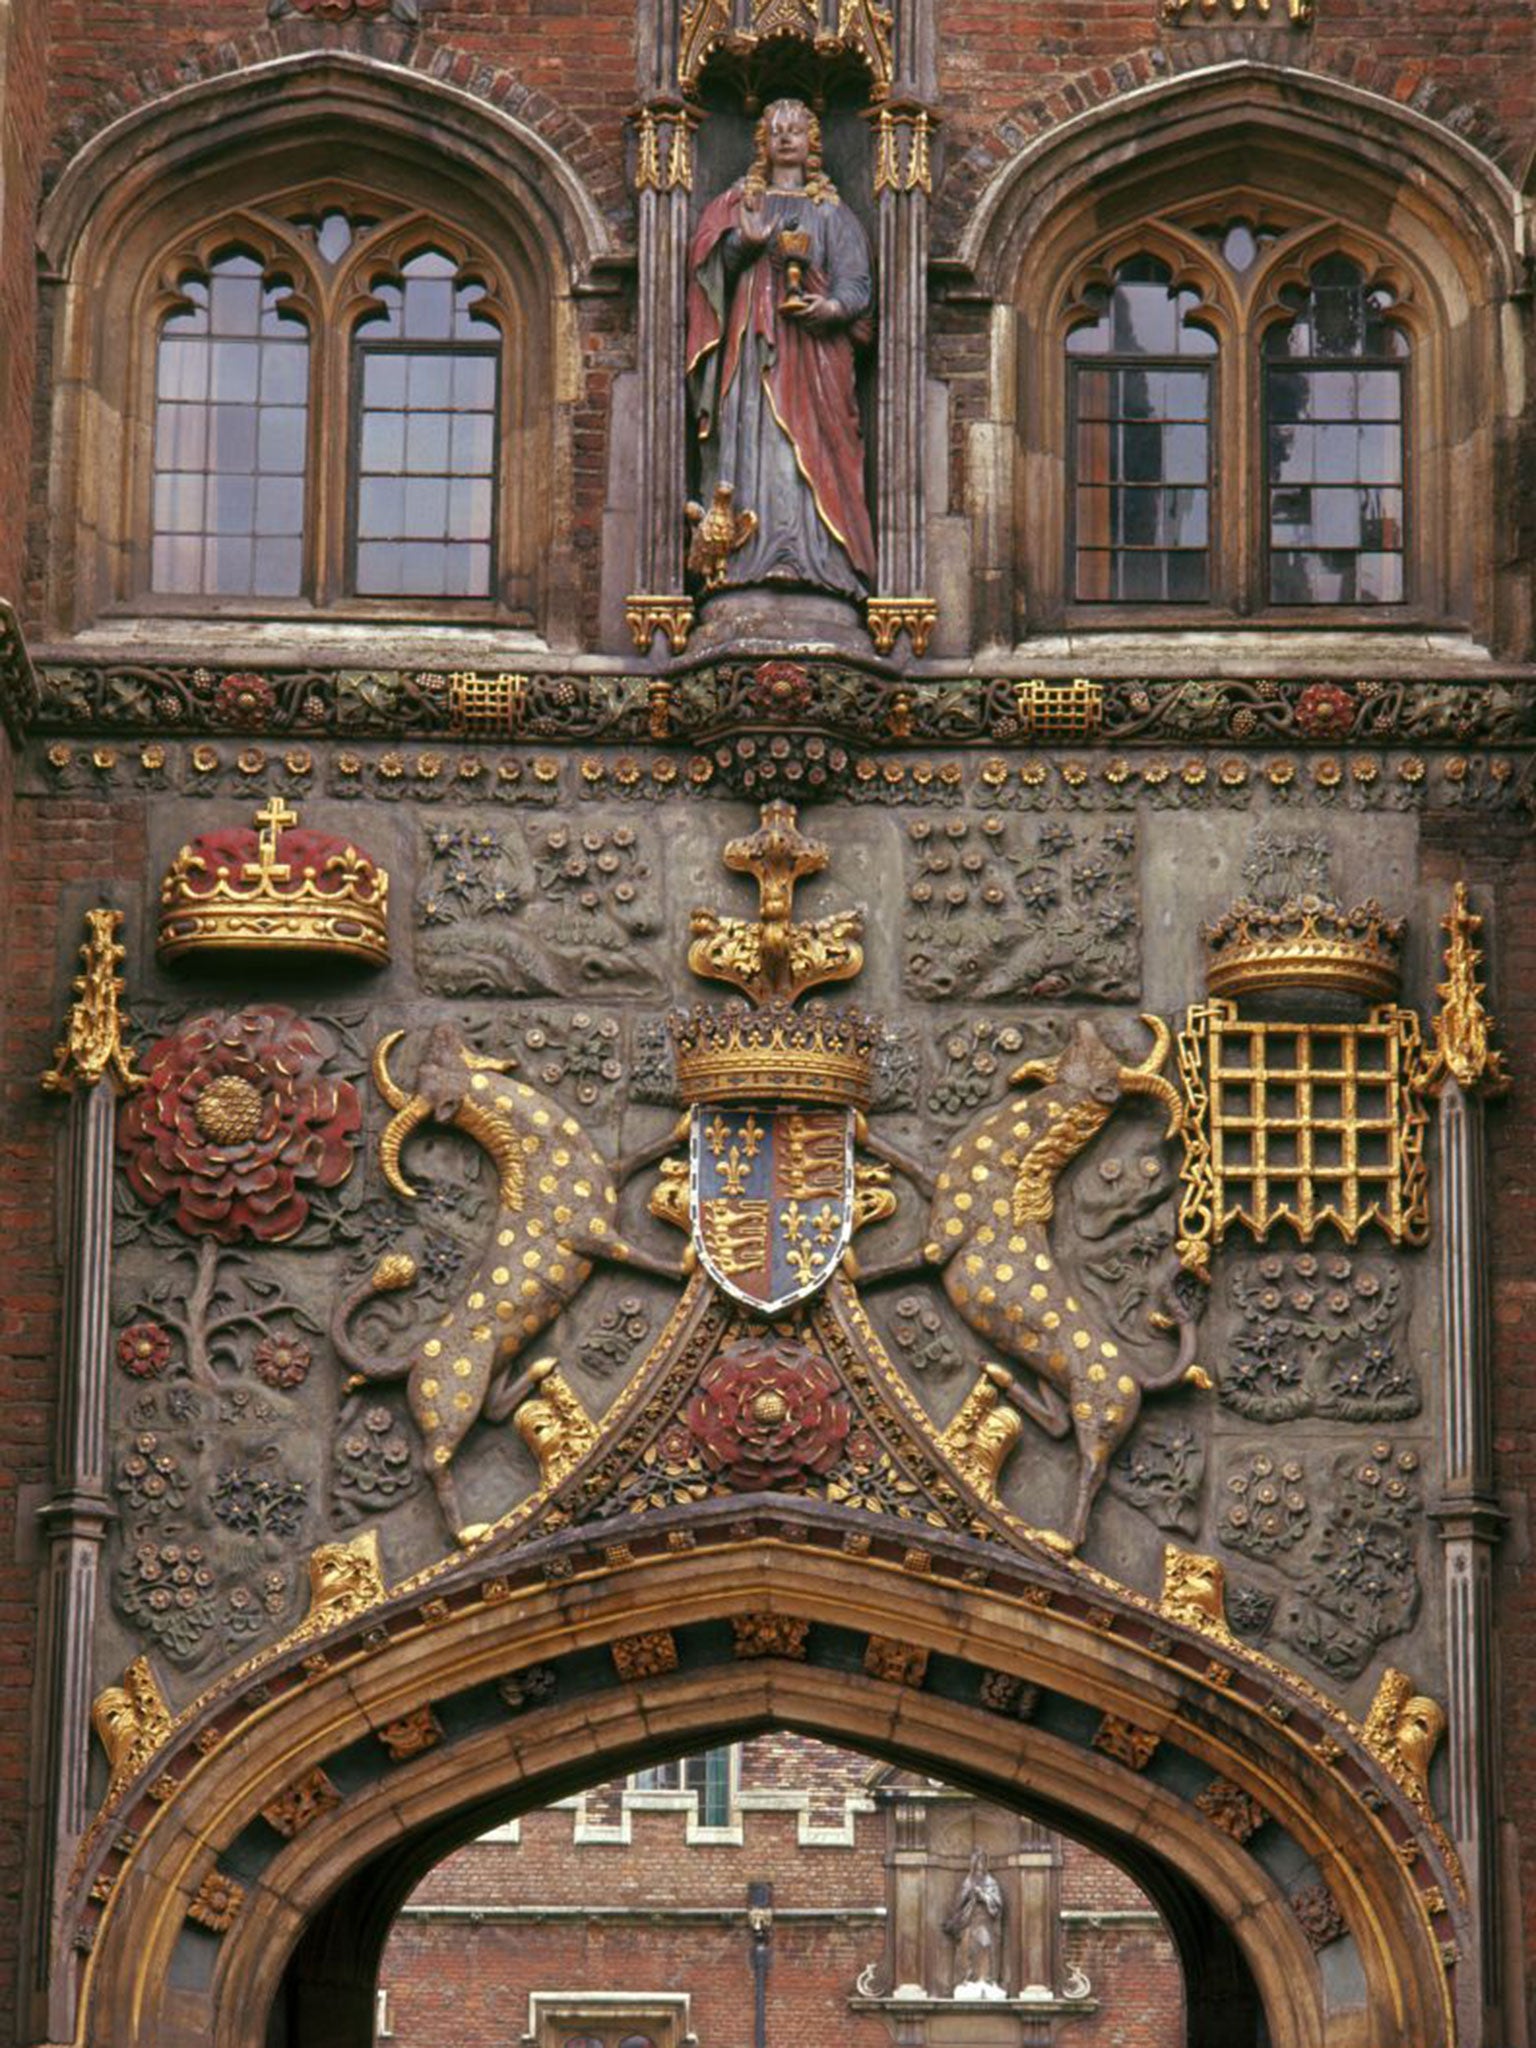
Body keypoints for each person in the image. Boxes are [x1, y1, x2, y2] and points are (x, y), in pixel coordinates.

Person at [686, 97, 876, 600]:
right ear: (763, 144)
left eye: (796, 130)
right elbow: (710, 269)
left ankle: (819, 560)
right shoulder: (739, 202)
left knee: (810, 451)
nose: (786, 138)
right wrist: (744, 243)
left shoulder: (832, 214)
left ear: (812, 142)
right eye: (776, 131)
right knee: (755, 439)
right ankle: (747, 557)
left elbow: (857, 284)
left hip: (814, 355)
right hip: (752, 348)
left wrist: (831, 309)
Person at [944, 1846, 1005, 1991]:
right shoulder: (968, 1881)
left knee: (985, 1945)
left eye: (983, 1861)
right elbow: (958, 1902)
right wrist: (970, 1893)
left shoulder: (991, 1882)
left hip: (985, 1921)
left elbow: (998, 1902)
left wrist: (983, 1896)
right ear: (973, 1863)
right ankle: (968, 1978)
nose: (981, 1864)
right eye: (978, 1861)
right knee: (967, 1950)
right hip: (969, 1921)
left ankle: (986, 1979)